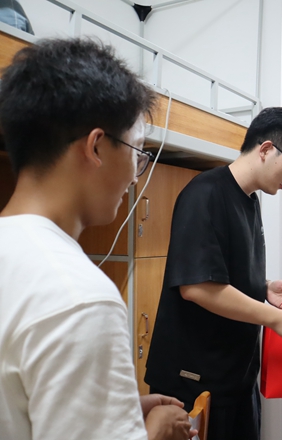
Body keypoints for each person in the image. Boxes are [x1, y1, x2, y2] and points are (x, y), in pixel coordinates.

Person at [0, 38, 193, 440]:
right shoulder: (81, 298)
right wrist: (155, 430)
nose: (135, 176)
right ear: (96, 146)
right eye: (136, 151)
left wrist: (117, 409)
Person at [145, 106, 282, 440]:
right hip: (195, 379)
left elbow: (223, 273)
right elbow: (197, 286)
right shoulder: (205, 192)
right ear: (266, 149)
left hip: (236, 375)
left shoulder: (249, 200)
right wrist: (277, 319)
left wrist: (263, 286)